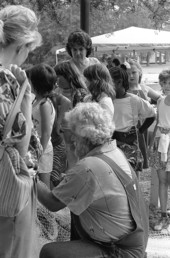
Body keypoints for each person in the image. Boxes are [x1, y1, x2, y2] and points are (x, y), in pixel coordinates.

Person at [38, 102, 149, 258]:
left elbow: (51, 203)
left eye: (73, 135)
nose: (71, 141)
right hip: (132, 244)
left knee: (50, 252)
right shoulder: (114, 151)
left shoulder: (87, 167)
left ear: (85, 137)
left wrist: (30, 176)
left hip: (120, 250)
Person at [0, 5, 42, 258]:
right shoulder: (7, 82)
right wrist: (26, 96)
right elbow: (21, 146)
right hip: (8, 191)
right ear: (22, 45)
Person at [109, 67, 156, 177]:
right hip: (111, 143)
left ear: (119, 82)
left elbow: (152, 114)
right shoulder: (107, 100)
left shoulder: (134, 100)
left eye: (109, 82)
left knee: (132, 176)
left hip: (130, 144)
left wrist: (141, 130)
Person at [26, 63, 56, 188]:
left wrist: (39, 153)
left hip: (42, 148)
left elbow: (46, 132)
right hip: (35, 147)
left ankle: (45, 208)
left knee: (44, 185)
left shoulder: (44, 105)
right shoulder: (36, 100)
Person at [127, 59, 161, 169]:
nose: (131, 75)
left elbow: (160, 98)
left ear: (140, 73)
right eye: (128, 73)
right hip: (130, 126)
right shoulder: (124, 90)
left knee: (141, 155)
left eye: (133, 72)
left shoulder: (144, 88)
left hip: (144, 126)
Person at [150, 70, 170, 231]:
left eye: (169, 82)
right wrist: (152, 143)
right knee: (162, 181)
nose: (166, 86)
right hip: (160, 144)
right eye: (163, 83)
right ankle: (163, 215)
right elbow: (158, 122)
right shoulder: (160, 101)